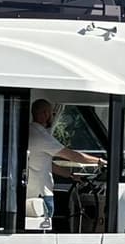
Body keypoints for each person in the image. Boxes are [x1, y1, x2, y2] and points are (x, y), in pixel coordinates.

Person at [24, 99, 97, 231]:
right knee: (42, 231)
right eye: (52, 113)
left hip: (30, 192)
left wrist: (70, 175)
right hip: (42, 193)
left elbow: (47, 164)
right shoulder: (42, 136)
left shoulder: (29, 132)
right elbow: (72, 155)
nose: (52, 116)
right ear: (45, 114)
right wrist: (99, 161)